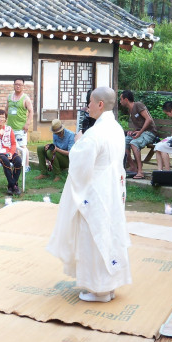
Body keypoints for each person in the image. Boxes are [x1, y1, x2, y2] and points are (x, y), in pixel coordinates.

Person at [47, 86, 130, 303]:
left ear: (100, 104)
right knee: (109, 231)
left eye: (91, 102)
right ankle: (109, 285)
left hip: (97, 189)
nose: (88, 106)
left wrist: (78, 143)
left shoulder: (95, 133)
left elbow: (80, 165)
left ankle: (99, 288)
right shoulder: (116, 128)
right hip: (113, 186)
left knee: (93, 234)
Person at [120, 90, 157, 179]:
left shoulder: (138, 105)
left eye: (121, 99)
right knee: (123, 143)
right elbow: (140, 125)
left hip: (150, 133)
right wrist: (133, 131)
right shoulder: (130, 110)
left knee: (134, 143)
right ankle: (133, 167)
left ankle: (140, 172)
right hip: (142, 132)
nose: (120, 101)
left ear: (126, 99)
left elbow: (149, 119)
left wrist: (140, 132)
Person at [0, 109, 22, 196]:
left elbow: (14, 143)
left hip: (9, 152)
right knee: (5, 161)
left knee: (18, 161)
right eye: (0, 117)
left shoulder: (9, 129)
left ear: (6, 119)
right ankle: (14, 185)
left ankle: (11, 186)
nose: (2, 119)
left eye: (3, 117)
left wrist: (11, 152)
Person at [6, 78, 33, 171]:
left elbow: (31, 111)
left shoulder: (25, 98)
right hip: (10, 127)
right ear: (13, 85)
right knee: (13, 146)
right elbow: (6, 110)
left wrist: (27, 124)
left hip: (20, 127)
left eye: (20, 85)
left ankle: (26, 166)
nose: (18, 86)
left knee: (22, 146)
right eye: (16, 84)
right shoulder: (9, 97)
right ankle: (16, 164)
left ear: (23, 86)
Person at [154, 101, 172, 171]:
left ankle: (167, 171)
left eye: (167, 113)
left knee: (162, 147)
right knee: (158, 146)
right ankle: (160, 170)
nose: (167, 115)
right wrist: (170, 139)